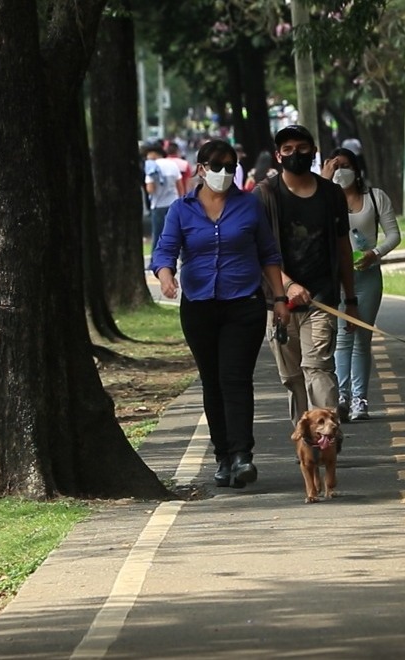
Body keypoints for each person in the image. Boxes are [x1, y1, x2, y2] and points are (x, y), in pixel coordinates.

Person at [150, 140, 290, 488]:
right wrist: (167, 278)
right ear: (201, 169)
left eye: (231, 166)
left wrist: (281, 299)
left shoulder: (249, 206)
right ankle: (223, 457)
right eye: (217, 166)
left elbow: (268, 254)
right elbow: (164, 251)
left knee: (236, 378)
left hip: (243, 303)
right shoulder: (181, 210)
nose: (224, 173)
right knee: (212, 381)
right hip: (198, 305)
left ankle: (243, 455)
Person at [254, 124, 358, 428]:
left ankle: (327, 436)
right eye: (287, 149)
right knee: (293, 378)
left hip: (321, 299)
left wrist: (350, 299)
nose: (294, 154)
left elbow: (342, 248)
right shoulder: (265, 195)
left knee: (319, 369)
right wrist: (286, 286)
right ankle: (306, 437)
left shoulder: (331, 194)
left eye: (301, 148)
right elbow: (259, 251)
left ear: (313, 152)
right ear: (278, 155)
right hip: (279, 304)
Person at [320, 147, 402, 422]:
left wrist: (374, 254)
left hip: (367, 276)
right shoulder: (324, 199)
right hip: (336, 277)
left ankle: (360, 399)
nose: (340, 170)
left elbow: (393, 235)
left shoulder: (375, 198)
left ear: (356, 170)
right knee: (342, 337)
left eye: (345, 165)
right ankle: (341, 397)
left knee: (362, 338)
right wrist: (323, 180)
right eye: (335, 166)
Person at [144, 145, 182, 253]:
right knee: (177, 233)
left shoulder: (151, 166)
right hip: (173, 202)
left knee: (157, 234)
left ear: (154, 154)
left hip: (158, 205)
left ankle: (155, 260)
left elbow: (150, 188)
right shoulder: (172, 165)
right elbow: (179, 185)